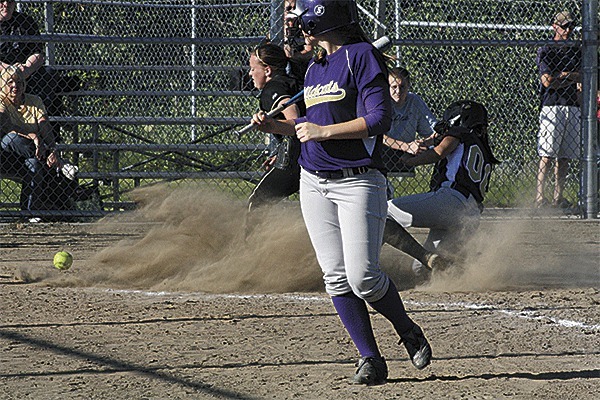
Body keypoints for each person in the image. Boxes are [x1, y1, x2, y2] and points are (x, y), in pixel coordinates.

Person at [251, 0, 431, 386]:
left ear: (327, 18)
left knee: (364, 277)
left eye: (306, 20)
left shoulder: (361, 56)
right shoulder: (316, 68)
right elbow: (308, 127)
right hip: (313, 181)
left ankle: (407, 330)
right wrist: (275, 128)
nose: (301, 27)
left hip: (358, 180)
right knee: (335, 277)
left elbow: (378, 120)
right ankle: (370, 358)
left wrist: (323, 132)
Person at [387, 100, 500, 282]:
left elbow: (439, 152)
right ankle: (478, 270)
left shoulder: (460, 132)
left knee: (381, 211)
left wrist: (407, 162)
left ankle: (364, 266)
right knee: (422, 271)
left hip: (451, 201)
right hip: (470, 215)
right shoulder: (482, 147)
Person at [0, 65, 78, 216]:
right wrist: (34, 137)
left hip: (32, 154)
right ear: (3, 84)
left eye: (19, 82)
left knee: (34, 164)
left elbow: (45, 126)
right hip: (6, 155)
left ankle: (29, 212)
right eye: (10, 82)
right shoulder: (1, 100)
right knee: (12, 137)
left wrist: (53, 149)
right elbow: (7, 127)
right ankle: (60, 163)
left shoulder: (35, 101)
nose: (15, 86)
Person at [246, 43, 303, 214]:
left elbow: (294, 119)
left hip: (294, 160)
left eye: (252, 68)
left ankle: (251, 242)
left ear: (267, 70)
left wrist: (285, 152)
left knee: (256, 205)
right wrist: (279, 153)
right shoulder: (290, 81)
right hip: (308, 154)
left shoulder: (273, 88)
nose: (250, 74)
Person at [534, 11, 581, 209]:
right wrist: (569, 79)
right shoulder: (548, 50)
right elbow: (547, 82)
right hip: (552, 106)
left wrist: (565, 76)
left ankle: (557, 197)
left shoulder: (576, 50)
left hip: (572, 105)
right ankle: (539, 197)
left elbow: (582, 77)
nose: (567, 30)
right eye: (564, 26)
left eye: (570, 26)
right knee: (547, 154)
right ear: (555, 26)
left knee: (565, 155)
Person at [382, 66, 436, 173]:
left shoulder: (414, 101)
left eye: (402, 87)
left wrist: (422, 144)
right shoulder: (382, 101)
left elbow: (433, 130)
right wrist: (406, 146)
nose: (398, 91)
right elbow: (377, 136)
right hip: (384, 150)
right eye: (394, 87)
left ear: (408, 86)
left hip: (408, 152)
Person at [0, 0, 44, 79]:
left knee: (49, 73)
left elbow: (38, 54)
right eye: (1, 1)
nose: (6, 4)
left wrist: (27, 69)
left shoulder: (26, 21)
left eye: (10, 1)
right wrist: (9, 70)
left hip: (23, 70)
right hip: (2, 69)